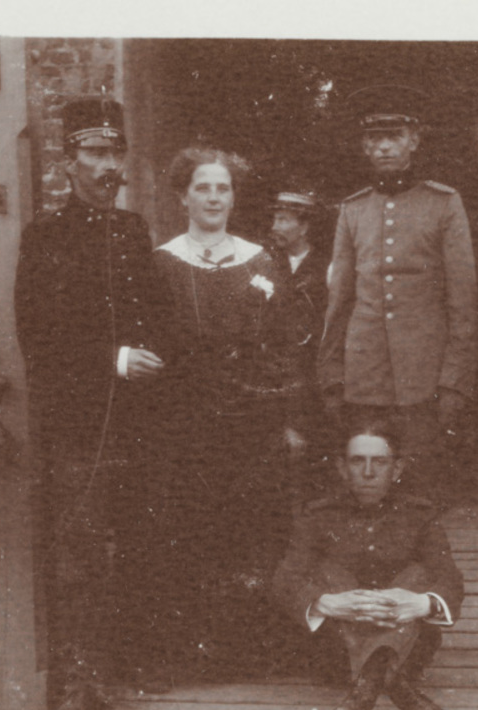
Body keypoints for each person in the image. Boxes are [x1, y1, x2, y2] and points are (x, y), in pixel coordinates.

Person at [14, 97, 172, 710]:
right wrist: (115, 359)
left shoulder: (132, 230)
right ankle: (82, 682)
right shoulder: (45, 236)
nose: (109, 167)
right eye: (96, 153)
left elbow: (155, 314)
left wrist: (152, 353)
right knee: (80, 555)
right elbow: (38, 338)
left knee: (140, 539)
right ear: (68, 162)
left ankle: (133, 663)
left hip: (139, 421)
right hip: (80, 427)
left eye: (116, 154)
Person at [154, 147, 304, 679]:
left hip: (252, 420)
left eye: (223, 188)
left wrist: (287, 416)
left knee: (253, 529)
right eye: (203, 188)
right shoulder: (163, 262)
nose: (214, 198)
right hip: (188, 421)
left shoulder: (262, 260)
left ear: (234, 198)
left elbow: (284, 342)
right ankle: (197, 653)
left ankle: (253, 652)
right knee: (194, 528)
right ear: (183, 197)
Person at [317, 85, 478, 500]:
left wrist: (454, 380)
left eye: (395, 137)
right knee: (364, 484)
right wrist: (332, 374)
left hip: (423, 378)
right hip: (363, 374)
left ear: (414, 141)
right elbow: (340, 302)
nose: (385, 147)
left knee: (420, 486)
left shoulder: (444, 204)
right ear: (364, 146)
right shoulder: (353, 209)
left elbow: (463, 301)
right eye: (375, 139)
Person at [273, 418, 465, 710]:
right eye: (357, 461)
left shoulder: (419, 514)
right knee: (327, 571)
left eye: (380, 462)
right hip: (337, 649)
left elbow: (450, 578)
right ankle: (396, 686)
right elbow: (285, 579)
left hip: (410, 644)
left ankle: (364, 694)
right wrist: (326, 603)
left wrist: (421, 603)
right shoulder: (319, 515)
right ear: (341, 467)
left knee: (419, 574)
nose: (368, 472)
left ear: (397, 468)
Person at [268, 186, 332, 498]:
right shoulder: (264, 262)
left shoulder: (328, 266)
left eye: (283, 220)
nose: (275, 227)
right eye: (275, 219)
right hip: (274, 365)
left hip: (314, 367)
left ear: (304, 226)